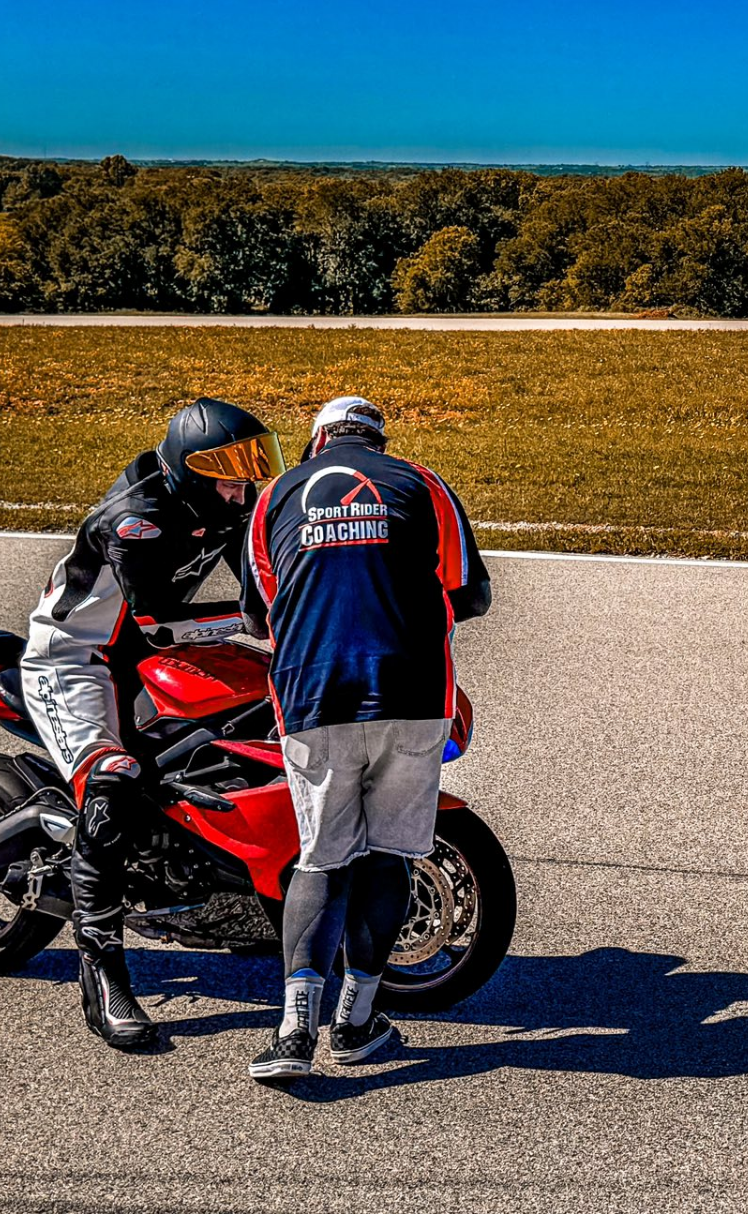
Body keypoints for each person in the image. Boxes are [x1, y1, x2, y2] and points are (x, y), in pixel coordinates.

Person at [20, 398, 283, 1049]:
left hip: (151, 656)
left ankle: (249, 904)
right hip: (78, 659)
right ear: (188, 471)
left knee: (253, 725)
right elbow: (156, 618)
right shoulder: (134, 520)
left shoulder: (225, 506)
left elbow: (259, 592)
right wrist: (260, 628)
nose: (241, 484)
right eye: (227, 471)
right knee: (113, 786)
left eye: (249, 468)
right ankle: (104, 975)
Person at [243, 396, 491, 1080]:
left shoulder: (273, 499)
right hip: (410, 692)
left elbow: (259, 615)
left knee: (321, 860)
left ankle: (294, 1031)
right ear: (379, 441)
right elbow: (471, 595)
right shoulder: (423, 483)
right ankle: (355, 1021)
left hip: (313, 694)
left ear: (318, 440)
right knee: (389, 856)